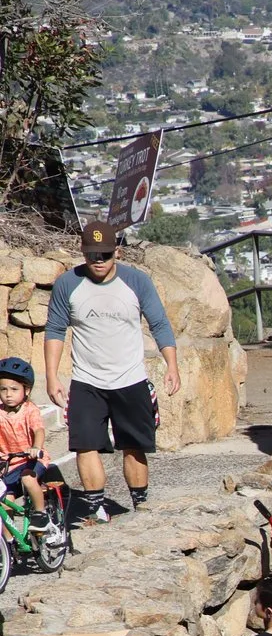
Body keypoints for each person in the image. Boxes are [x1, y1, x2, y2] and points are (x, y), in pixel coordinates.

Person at [42, 222, 177, 524]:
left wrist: (172, 365)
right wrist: (52, 376)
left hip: (130, 378)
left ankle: (139, 502)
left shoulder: (137, 281)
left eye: (105, 254)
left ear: (116, 251)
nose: (99, 260)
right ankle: (95, 507)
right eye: (92, 255)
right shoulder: (68, 283)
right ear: (83, 252)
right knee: (85, 444)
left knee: (134, 443)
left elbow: (159, 324)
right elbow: (55, 330)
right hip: (87, 380)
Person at [0, 358, 56, 519]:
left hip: (31, 460)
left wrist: (36, 448)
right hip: (9, 465)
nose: (8, 394)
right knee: (4, 503)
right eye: (3, 389)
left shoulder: (29, 410)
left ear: (27, 390)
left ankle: (40, 513)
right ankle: (9, 542)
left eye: (14, 389)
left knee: (28, 479)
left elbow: (38, 430)